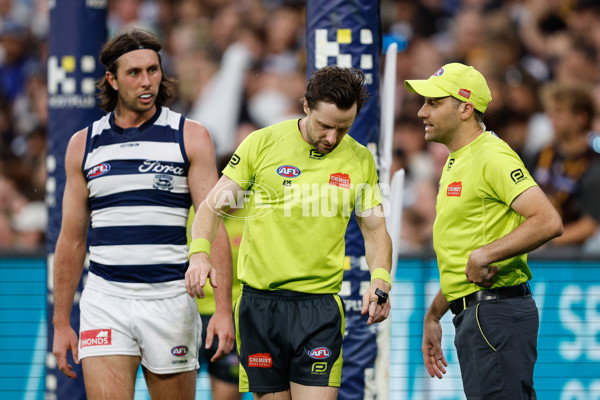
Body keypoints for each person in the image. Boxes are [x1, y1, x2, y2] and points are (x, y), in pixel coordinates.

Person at [186, 65, 393, 400]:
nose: (332, 138)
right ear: (306, 106)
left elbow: (375, 231)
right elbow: (211, 207)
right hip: (259, 308)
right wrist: (198, 255)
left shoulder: (359, 159)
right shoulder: (262, 144)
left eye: (343, 128)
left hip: (319, 310)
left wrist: (381, 279)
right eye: (325, 126)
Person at [51, 29, 234, 399]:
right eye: (134, 73)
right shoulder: (83, 145)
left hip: (170, 299)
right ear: (112, 79)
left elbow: (213, 226)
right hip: (106, 299)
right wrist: (60, 324)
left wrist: (224, 309)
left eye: (153, 69)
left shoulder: (190, 136)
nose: (147, 81)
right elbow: (71, 238)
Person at [404, 63, 563, 399]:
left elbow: (547, 220)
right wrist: (434, 315)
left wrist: (486, 254)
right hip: (482, 315)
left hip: (494, 314)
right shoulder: (458, 159)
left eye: (433, 102)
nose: (421, 112)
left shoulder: (491, 155)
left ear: (465, 108)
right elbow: (468, 255)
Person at [190, 153, 243, 400]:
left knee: (227, 394)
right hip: (188, 315)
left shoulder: (254, 217)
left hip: (232, 316)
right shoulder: (195, 216)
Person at [530, 82, 600, 250]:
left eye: (559, 112)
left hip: (575, 255)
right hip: (535, 241)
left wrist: (544, 243)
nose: (551, 119)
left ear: (580, 118)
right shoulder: (541, 154)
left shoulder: (594, 164)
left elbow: (589, 225)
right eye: (550, 112)